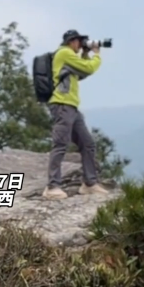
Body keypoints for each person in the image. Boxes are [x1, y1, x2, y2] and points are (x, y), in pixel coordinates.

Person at [43, 29, 109, 200]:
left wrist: (86, 54)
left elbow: (82, 73)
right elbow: (89, 68)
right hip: (62, 105)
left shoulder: (68, 58)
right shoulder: (64, 53)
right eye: (80, 42)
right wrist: (96, 54)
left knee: (87, 143)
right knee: (60, 144)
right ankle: (52, 187)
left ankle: (89, 183)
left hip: (72, 107)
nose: (81, 46)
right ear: (72, 41)